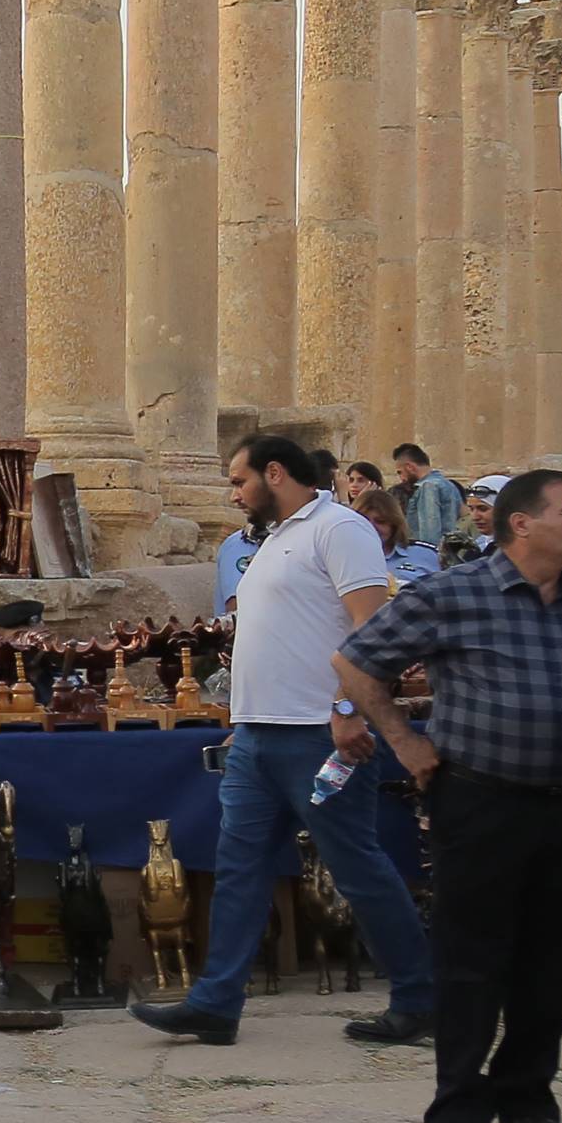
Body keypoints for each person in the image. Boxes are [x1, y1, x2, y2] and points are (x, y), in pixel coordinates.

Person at [130, 436, 434, 1049]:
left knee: (356, 867)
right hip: (257, 737)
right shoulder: (271, 540)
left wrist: (347, 708)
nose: (233, 494)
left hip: (319, 735)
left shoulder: (340, 529)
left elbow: (373, 628)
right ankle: (216, 1003)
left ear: (275, 472)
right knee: (239, 869)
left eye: (238, 481)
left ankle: (420, 997)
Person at [336, 468, 562, 1123]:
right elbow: (357, 662)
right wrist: (404, 741)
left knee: (551, 960)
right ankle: (459, 1106)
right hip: (481, 800)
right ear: (522, 523)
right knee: (473, 957)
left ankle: (527, 1098)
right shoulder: (453, 593)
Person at [395, 444, 466, 558]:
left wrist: (427, 558)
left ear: (409, 467)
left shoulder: (428, 487)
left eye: (400, 472)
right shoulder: (449, 485)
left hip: (432, 556)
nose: (401, 478)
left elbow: (429, 531)